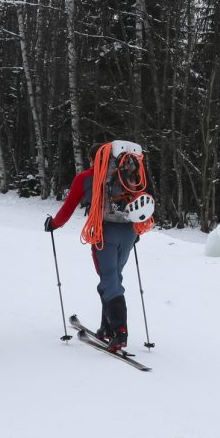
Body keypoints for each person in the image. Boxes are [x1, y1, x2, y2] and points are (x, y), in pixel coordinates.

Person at [44, 141, 154, 351]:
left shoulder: (86, 178)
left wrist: (54, 224)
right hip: (129, 232)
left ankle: (120, 332)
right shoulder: (129, 174)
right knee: (113, 277)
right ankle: (108, 327)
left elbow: (68, 208)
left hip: (105, 233)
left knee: (109, 280)